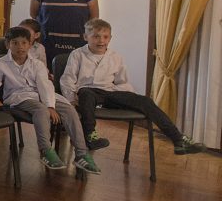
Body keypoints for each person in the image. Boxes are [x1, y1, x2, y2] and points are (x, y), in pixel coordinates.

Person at [61, 19, 205, 156]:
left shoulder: (115, 57)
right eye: (96, 36)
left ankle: (178, 139)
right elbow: (68, 79)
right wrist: (72, 100)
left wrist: (128, 98)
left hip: (110, 93)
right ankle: (90, 136)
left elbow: (123, 82)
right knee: (86, 94)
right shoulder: (77, 55)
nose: (101, 40)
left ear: (110, 38)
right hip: (88, 92)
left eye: (105, 37)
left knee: (145, 101)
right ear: (86, 37)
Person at [0, 27, 99, 174]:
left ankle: (81, 153)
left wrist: (50, 106)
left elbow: (44, 85)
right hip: (18, 97)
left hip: (41, 95)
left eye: (24, 43)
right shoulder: (0, 63)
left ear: (30, 44)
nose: (20, 47)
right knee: (41, 110)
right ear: (8, 44)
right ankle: (46, 150)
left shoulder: (37, 64)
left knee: (69, 109)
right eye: (15, 43)